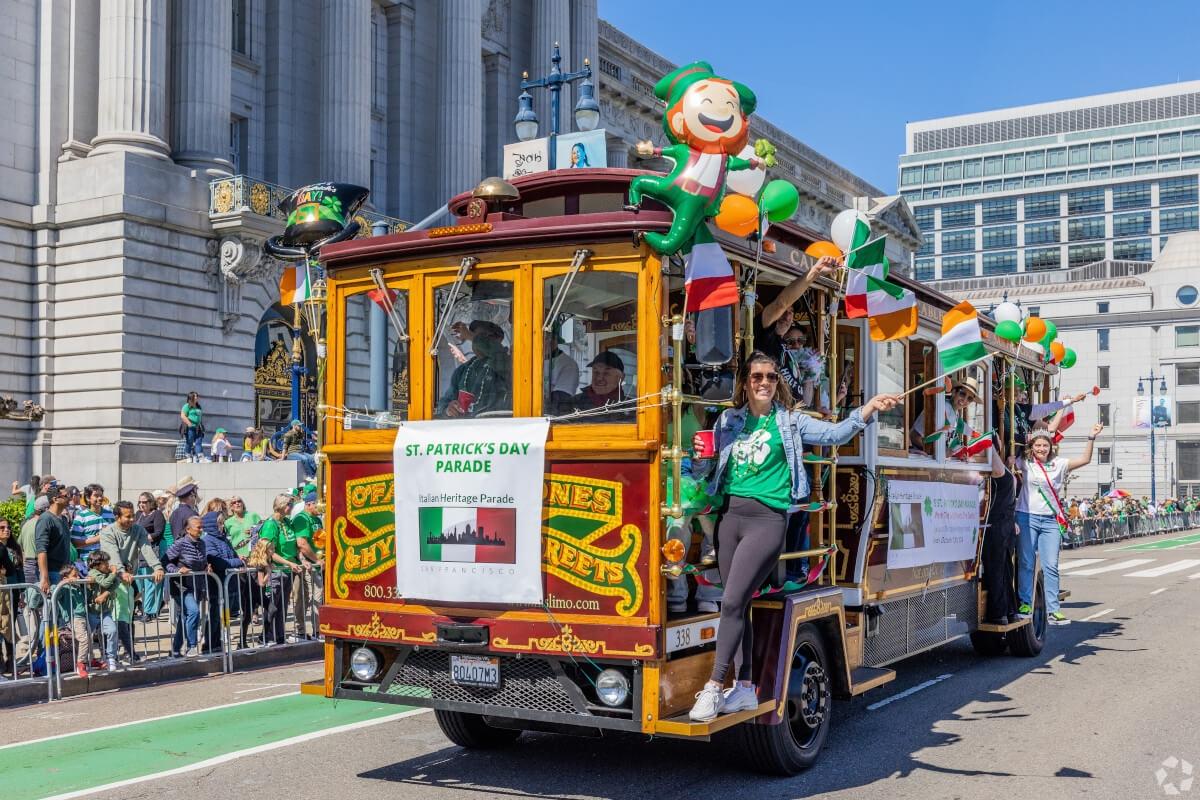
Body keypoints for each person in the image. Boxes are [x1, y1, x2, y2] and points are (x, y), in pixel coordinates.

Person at [688, 351, 898, 722]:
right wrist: (701, 457)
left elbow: (834, 434)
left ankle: (715, 686)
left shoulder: (790, 421)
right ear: (745, 383)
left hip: (767, 521)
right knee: (738, 604)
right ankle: (747, 689)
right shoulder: (729, 420)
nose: (764, 382)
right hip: (730, 518)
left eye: (770, 376)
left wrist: (867, 409)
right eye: (757, 377)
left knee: (734, 600)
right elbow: (708, 471)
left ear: (777, 382)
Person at [1014, 424, 1103, 626]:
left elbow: (1085, 460)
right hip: (1026, 517)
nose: (1041, 449)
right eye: (1038, 445)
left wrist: (1091, 436)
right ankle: (1025, 604)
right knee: (1026, 563)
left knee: (1051, 565)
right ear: (1031, 446)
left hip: (1051, 520)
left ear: (1051, 447)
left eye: (1045, 445)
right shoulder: (1024, 463)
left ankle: (1054, 611)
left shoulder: (1060, 464)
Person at [99, 500, 164, 663]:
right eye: (127, 517)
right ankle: (111, 654)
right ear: (117, 516)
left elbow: (146, 549)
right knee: (114, 619)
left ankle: (128, 652)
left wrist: (157, 567)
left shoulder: (138, 530)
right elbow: (112, 555)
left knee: (127, 617)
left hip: (129, 578)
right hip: (112, 578)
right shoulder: (108, 533)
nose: (131, 520)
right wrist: (121, 572)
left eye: (132, 516)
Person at [437, 320, 512, 418]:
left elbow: (497, 354)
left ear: (498, 340)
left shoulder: (506, 362)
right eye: (476, 338)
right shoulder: (463, 370)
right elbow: (445, 402)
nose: (477, 341)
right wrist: (448, 410)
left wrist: (469, 335)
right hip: (466, 428)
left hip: (499, 426)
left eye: (484, 337)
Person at [981, 437, 1019, 624]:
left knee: (996, 569)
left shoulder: (1001, 473)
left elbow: (995, 468)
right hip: (1006, 525)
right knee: (1004, 569)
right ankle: (1010, 611)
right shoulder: (1007, 473)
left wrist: (985, 442)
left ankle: (998, 613)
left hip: (997, 525)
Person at [259, 494, 305, 646]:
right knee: (272, 605)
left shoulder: (287, 522)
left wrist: (300, 560)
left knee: (283, 605)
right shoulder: (271, 524)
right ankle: (267, 635)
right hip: (276, 570)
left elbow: (294, 546)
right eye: (289, 505)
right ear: (281, 505)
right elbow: (269, 551)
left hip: (288, 571)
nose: (291, 508)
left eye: (292, 505)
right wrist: (287, 563)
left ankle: (279, 635)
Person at [164, 515, 209, 657]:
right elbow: (164, 561)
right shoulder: (180, 543)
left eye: (202, 527)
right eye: (198, 527)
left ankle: (176, 649)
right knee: (194, 612)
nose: (201, 530)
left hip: (196, 585)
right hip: (181, 586)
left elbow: (201, 562)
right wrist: (177, 571)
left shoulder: (201, 543)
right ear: (188, 529)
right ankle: (192, 646)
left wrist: (207, 566)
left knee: (186, 617)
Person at [200, 510, 243, 654]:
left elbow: (233, 556)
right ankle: (210, 644)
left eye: (222, 522)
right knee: (215, 617)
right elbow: (219, 562)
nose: (222, 525)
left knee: (223, 616)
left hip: (229, 585)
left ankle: (219, 643)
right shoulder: (208, 540)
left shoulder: (224, 539)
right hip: (217, 586)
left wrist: (239, 560)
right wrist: (239, 562)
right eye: (219, 523)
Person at [289, 492, 323, 641]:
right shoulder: (302, 518)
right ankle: (302, 630)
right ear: (309, 504)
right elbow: (301, 543)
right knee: (308, 597)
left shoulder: (316, 518)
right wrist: (316, 559)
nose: (322, 507)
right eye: (319, 504)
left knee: (317, 597)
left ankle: (317, 629)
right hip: (309, 563)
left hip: (318, 563)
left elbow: (320, 540)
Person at [134, 492, 167, 623]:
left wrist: (143, 537)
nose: (142, 504)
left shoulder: (157, 514)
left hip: (153, 550)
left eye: (145, 502)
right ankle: (149, 607)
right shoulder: (137, 515)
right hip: (137, 552)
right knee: (139, 583)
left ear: (151, 502)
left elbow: (158, 533)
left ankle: (149, 611)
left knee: (151, 582)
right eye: (140, 502)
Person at [569, 351, 632, 420]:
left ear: (620, 378)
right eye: (596, 372)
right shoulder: (573, 403)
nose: (599, 378)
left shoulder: (630, 407)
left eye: (606, 373)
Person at [0, 517, 22, 676]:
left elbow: (18, 570)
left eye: (8, 527)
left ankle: (11, 660)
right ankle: (1, 661)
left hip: (13, 591)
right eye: (2, 528)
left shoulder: (14, 548)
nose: (6, 530)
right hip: (2, 592)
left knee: (10, 626)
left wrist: (22, 593)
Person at [70, 483, 114, 564]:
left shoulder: (110, 515)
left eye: (101, 495)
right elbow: (75, 543)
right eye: (96, 496)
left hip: (108, 562)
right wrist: (98, 538)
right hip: (89, 563)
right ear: (88, 498)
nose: (100, 498)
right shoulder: (81, 516)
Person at [180, 391, 205, 463]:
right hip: (190, 427)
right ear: (191, 397)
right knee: (189, 441)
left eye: (197, 396)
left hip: (198, 427)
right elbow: (183, 415)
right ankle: (188, 455)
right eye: (195, 396)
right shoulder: (187, 406)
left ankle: (200, 456)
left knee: (199, 442)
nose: (197, 397)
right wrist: (189, 423)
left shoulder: (198, 406)